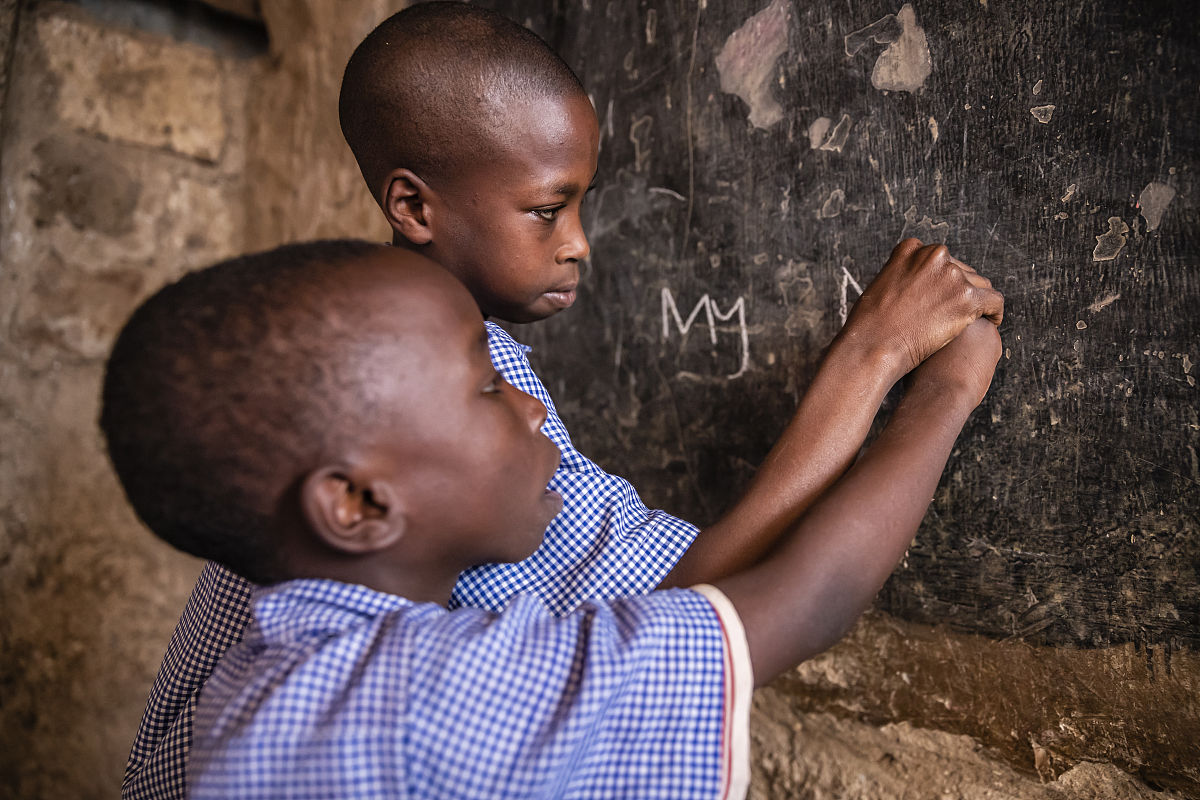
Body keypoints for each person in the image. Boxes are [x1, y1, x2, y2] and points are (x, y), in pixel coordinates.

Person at [119, 4, 1004, 797]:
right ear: (411, 206)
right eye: (547, 210)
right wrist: (887, 361)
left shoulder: (326, 404)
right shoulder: (425, 688)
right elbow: (718, 595)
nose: (580, 244)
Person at [101, 240, 1001, 799]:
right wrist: (934, 387)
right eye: (490, 386)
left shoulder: (254, 673)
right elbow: (805, 600)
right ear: (359, 503)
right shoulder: (422, 698)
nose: (535, 413)